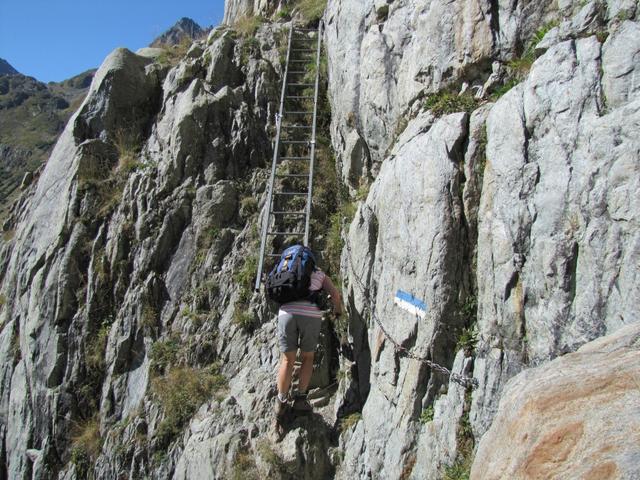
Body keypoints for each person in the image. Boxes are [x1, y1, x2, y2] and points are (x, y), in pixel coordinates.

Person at [274, 264, 343, 416]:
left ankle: (281, 401)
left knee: (287, 360)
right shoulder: (319, 272)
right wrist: (337, 310)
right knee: (308, 357)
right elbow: (335, 295)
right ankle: (300, 400)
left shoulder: (285, 269)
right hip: (310, 315)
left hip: (286, 313)